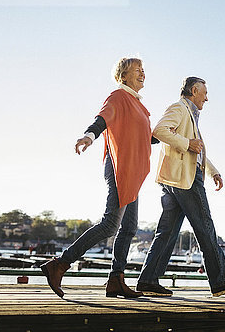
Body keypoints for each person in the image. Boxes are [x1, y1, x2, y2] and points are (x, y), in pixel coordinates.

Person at [41, 57, 152, 299]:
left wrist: (168, 135)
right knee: (111, 224)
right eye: (137, 70)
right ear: (123, 76)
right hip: (119, 167)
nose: (142, 73)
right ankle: (60, 264)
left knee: (129, 227)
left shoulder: (139, 105)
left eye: (143, 70)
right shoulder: (118, 97)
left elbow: (144, 138)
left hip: (132, 172)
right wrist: (88, 137)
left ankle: (116, 280)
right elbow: (102, 119)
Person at [136, 76, 225, 297]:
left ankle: (148, 280)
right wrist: (187, 144)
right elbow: (159, 131)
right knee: (205, 226)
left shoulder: (190, 115)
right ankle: (220, 281)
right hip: (185, 180)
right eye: (205, 93)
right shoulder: (179, 108)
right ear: (194, 90)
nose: (207, 98)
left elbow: (197, 151)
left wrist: (213, 171)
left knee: (166, 233)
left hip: (174, 180)